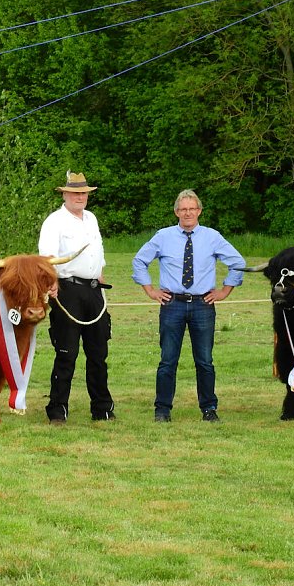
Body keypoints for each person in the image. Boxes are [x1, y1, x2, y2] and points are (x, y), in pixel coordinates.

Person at [132, 189, 246, 423]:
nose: (187, 213)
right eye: (183, 209)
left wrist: (225, 290)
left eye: (191, 209)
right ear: (176, 212)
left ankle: (209, 408)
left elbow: (238, 262)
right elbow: (139, 261)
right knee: (168, 360)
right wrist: (151, 290)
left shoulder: (212, 237)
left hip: (203, 305)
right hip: (172, 304)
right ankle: (162, 410)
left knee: (204, 360)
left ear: (199, 211)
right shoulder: (163, 236)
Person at [39, 170, 115, 424]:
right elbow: (47, 258)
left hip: (94, 291)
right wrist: (51, 283)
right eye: (75, 193)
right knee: (66, 352)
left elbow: (98, 253)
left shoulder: (91, 219)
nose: (80, 197)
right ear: (65, 194)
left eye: (83, 193)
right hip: (66, 290)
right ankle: (57, 409)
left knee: (98, 352)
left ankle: (102, 408)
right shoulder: (54, 221)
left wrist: (100, 276)